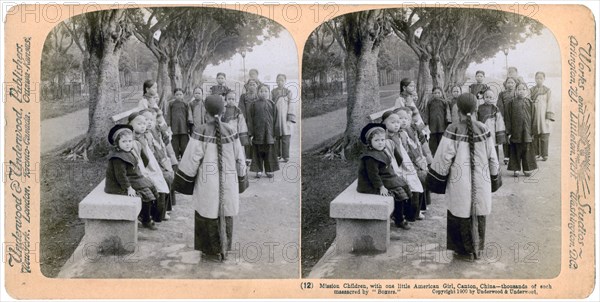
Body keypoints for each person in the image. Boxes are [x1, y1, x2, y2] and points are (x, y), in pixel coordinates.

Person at [427, 93, 501, 261]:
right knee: (478, 209)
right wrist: (494, 176)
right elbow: (492, 156)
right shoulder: (484, 129)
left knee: (459, 209)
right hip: (481, 179)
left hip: (459, 181)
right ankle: (477, 248)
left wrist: (436, 180)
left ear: (457, 109)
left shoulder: (452, 129)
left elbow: (443, 158)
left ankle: (461, 250)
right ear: (476, 109)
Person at [176, 95, 247, 262]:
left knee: (207, 210)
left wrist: (183, 181)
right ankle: (224, 247)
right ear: (223, 112)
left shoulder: (200, 131)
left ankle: (208, 250)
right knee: (226, 210)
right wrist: (242, 178)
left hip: (207, 182)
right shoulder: (231, 130)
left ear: (205, 112)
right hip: (228, 180)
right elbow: (240, 158)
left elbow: (191, 159)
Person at [357, 123, 411, 230]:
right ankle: (398, 219)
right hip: (372, 183)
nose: (380, 143)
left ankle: (403, 214)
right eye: (376, 140)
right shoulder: (370, 157)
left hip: (386, 177)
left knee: (404, 185)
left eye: (382, 140)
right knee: (398, 193)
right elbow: (373, 175)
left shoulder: (381, 151)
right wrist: (381, 187)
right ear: (370, 142)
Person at [105, 124, 158, 230]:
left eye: (129, 141)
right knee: (145, 193)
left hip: (131, 178)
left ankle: (146, 215)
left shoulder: (127, 152)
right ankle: (145, 219)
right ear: (117, 143)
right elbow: (120, 176)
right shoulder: (117, 158)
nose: (127, 144)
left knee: (151, 186)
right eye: (124, 142)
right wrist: (129, 188)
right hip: (118, 184)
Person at [382, 111, 423, 223]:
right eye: (392, 122)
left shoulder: (401, 135)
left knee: (416, 182)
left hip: (405, 164)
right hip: (393, 168)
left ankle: (412, 214)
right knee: (405, 185)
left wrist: (417, 163)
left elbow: (409, 151)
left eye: (397, 122)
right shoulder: (384, 139)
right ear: (384, 123)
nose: (396, 124)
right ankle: (403, 215)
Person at [128, 112, 170, 223]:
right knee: (155, 185)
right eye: (139, 123)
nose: (143, 126)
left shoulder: (145, 136)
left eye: (144, 123)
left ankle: (158, 215)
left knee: (163, 182)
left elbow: (151, 155)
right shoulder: (130, 140)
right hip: (139, 170)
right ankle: (148, 216)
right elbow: (136, 160)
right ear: (130, 124)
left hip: (149, 166)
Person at [394, 107, 431, 221]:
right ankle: (413, 213)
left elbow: (415, 148)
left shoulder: (407, 131)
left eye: (406, 118)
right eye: (400, 118)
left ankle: (420, 208)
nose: (403, 121)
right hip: (402, 166)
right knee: (419, 177)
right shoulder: (398, 135)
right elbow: (401, 153)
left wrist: (422, 161)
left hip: (411, 163)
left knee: (423, 175)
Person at [505, 81, 537, 177]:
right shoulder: (511, 103)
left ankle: (527, 169)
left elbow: (534, 118)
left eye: (524, 89)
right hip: (515, 131)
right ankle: (516, 168)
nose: (521, 91)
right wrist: (509, 132)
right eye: (519, 89)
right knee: (516, 149)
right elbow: (508, 118)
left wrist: (533, 131)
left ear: (527, 91)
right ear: (516, 91)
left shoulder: (530, 103)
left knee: (527, 150)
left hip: (527, 131)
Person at [248, 84, 279, 178]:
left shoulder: (272, 104)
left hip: (269, 133)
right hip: (258, 133)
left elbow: (276, 119)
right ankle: (258, 170)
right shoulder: (253, 105)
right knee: (258, 151)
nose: (263, 93)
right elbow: (250, 120)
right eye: (261, 91)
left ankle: (269, 170)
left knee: (269, 152)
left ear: (269, 93)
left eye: (266, 91)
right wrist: (250, 133)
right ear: (257, 93)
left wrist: (275, 133)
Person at [530, 71, 554, 161]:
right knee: (535, 133)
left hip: (543, 115)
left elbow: (550, 103)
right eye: (537, 78)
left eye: (541, 78)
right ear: (535, 79)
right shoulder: (531, 90)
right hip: (535, 115)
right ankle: (536, 153)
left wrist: (548, 116)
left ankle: (545, 154)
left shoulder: (547, 90)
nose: (539, 80)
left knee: (544, 133)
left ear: (544, 79)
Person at [272, 74, 296, 163]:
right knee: (276, 136)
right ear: (276, 81)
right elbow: (271, 104)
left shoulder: (288, 92)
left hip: (285, 118)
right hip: (276, 117)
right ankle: (277, 154)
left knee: (286, 136)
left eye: (282, 80)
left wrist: (290, 118)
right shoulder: (273, 92)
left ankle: (286, 155)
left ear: (285, 81)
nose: (280, 82)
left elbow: (291, 105)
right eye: (278, 80)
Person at [477, 89, 507, 160]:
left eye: (491, 97)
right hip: (482, 132)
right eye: (487, 97)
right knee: (482, 150)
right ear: (483, 97)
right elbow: (476, 119)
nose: (488, 99)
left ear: (493, 98)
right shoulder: (479, 108)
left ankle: (495, 167)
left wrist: (499, 136)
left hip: (492, 133)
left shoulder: (495, 109)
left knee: (493, 150)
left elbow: (499, 123)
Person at [497, 77, 518, 165]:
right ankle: (506, 155)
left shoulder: (517, 94)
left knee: (514, 136)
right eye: (508, 82)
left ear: (515, 84)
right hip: (505, 118)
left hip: (515, 118)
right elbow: (499, 105)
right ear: (505, 84)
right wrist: (501, 116)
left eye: (512, 83)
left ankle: (514, 155)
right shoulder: (502, 94)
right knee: (505, 137)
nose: (510, 84)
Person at [167, 88, 192, 159]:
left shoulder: (185, 104)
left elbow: (188, 115)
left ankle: (184, 157)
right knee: (174, 142)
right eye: (177, 94)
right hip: (174, 126)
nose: (179, 96)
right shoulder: (171, 104)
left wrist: (188, 124)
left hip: (183, 126)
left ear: (183, 95)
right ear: (174, 95)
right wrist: (168, 124)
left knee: (184, 142)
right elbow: (168, 115)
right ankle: (175, 156)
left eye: (180, 94)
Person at [424, 87, 449, 155]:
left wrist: (448, 122)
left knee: (441, 141)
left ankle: (441, 155)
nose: (437, 94)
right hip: (433, 126)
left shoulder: (444, 102)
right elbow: (427, 113)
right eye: (435, 93)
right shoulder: (430, 102)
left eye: (438, 93)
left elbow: (447, 113)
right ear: (432, 94)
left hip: (442, 125)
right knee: (432, 142)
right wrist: (426, 123)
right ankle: (433, 155)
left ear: (441, 93)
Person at [239, 79, 259, 162]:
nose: (252, 86)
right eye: (250, 84)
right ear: (247, 86)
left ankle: (256, 157)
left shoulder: (258, 96)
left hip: (256, 120)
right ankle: (248, 157)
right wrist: (243, 119)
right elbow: (241, 108)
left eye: (254, 84)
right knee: (247, 138)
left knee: (256, 137)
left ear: (257, 86)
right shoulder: (243, 96)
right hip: (247, 120)